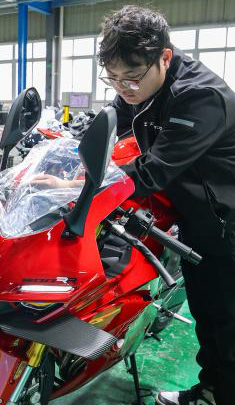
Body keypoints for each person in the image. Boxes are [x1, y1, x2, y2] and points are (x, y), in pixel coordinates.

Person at [35, 6, 235, 405]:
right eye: (111, 78)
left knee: (228, 323)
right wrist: (62, 159)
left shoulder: (201, 97)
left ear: (164, 57)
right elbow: (112, 125)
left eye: (130, 77)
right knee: (207, 316)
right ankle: (212, 391)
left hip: (227, 226)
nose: (122, 87)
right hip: (195, 217)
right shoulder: (140, 86)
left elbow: (151, 173)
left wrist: (74, 187)